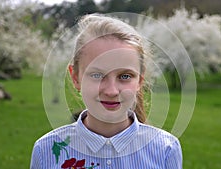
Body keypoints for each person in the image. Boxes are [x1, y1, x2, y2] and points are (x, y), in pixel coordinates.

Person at [30, 13, 182, 169]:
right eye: (97, 75)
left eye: (124, 76)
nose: (111, 91)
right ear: (76, 77)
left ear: (139, 81)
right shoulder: (46, 151)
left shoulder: (165, 150)